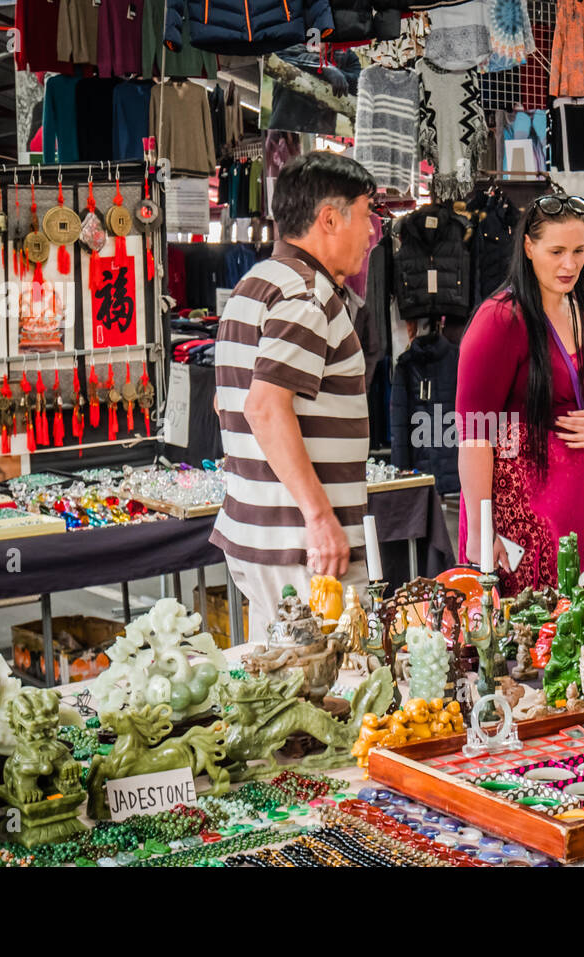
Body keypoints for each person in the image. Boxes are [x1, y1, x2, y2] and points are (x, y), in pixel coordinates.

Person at [210, 151, 377, 644]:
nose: (371, 234)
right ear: (330, 218)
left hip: (263, 536)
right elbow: (263, 407)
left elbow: (232, 402)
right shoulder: (307, 295)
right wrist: (320, 519)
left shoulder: (255, 282)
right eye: (366, 216)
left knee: (281, 699)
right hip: (302, 549)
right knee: (333, 695)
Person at [456, 193, 584, 594]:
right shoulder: (499, 320)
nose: (569, 264)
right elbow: (474, 435)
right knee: (518, 638)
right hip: (515, 516)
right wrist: (480, 530)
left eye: (579, 251)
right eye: (556, 251)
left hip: (574, 508)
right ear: (529, 247)